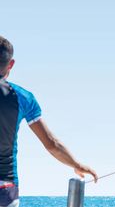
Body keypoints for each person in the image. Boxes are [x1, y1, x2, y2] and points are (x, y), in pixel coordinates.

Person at [0, 36, 97, 207]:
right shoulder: (22, 98)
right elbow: (52, 144)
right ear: (11, 64)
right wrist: (76, 164)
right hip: (5, 189)